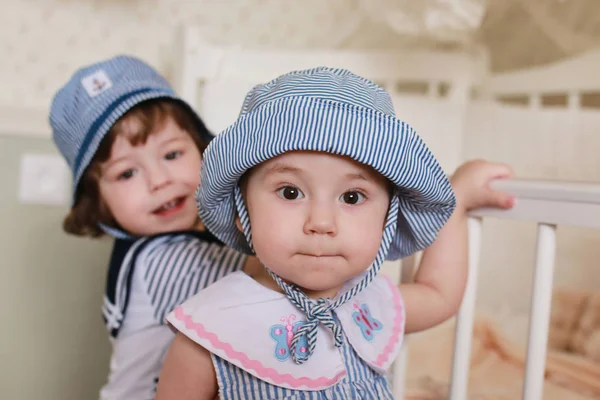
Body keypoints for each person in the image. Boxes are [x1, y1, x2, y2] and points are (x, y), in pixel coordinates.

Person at [156, 67, 515, 399]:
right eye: (290, 192)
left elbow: (440, 293)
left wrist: (457, 200)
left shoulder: (366, 304)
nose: (321, 222)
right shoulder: (214, 325)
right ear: (241, 210)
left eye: (352, 196)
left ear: (388, 217)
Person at [49, 55, 259, 399]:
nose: (159, 181)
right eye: (127, 173)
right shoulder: (158, 260)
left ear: (203, 149)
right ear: (98, 201)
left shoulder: (190, 243)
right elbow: (267, 276)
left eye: (172, 155)